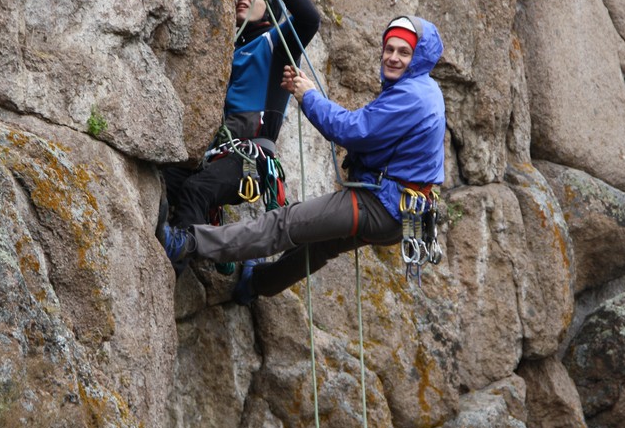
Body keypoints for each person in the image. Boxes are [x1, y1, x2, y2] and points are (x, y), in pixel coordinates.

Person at [158, 15, 445, 303]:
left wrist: (308, 96)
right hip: (402, 213)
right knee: (317, 248)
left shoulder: (412, 95)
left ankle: (186, 243)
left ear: (418, 56)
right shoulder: (423, 89)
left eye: (403, 52)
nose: (393, 57)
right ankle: (255, 284)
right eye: (389, 49)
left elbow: (352, 130)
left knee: (285, 223)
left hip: (379, 205)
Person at [160, 0, 321, 241]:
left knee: (197, 190)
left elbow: (309, 19)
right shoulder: (228, 49)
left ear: (270, 2)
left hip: (249, 158)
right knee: (168, 178)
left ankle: (182, 250)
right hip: (219, 152)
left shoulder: (274, 43)